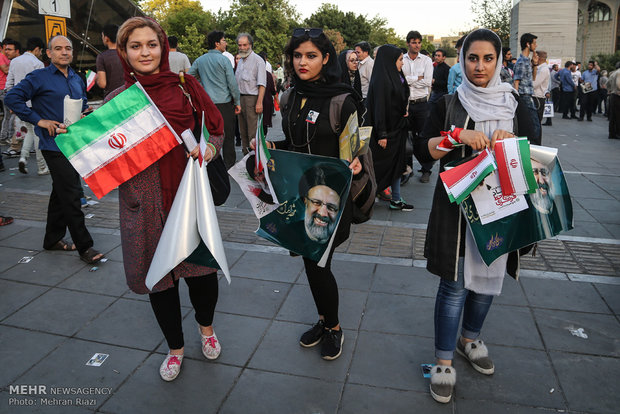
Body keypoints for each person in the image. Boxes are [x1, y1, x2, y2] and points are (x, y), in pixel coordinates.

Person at [106, 17, 225, 382]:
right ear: (124, 52)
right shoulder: (117, 102)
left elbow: (216, 128)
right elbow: (105, 160)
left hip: (188, 200)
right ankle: (175, 348)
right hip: (142, 208)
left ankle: (206, 328)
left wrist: (209, 149)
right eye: (135, 46)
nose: (145, 52)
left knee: (202, 276)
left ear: (163, 47)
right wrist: (78, 143)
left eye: (151, 44)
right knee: (160, 281)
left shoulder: (185, 87)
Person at [414, 28, 528, 404]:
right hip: (457, 211)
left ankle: (470, 338)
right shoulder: (448, 102)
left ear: (499, 61)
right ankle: (444, 360)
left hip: (503, 206)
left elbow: (535, 158)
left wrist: (511, 145)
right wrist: (456, 137)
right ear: (462, 60)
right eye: (472, 58)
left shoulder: (515, 103)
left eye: (488, 58)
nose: (480, 66)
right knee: (454, 284)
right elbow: (424, 151)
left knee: (490, 278)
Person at [255, 28, 363, 361]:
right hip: (301, 195)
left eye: (311, 55)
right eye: (298, 55)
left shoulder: (343, 100)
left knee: (317, 264)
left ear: (326, 58)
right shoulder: (290, 97)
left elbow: (355, 149)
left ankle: (333, 327)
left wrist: (354, 162)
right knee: (311, 262)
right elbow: (296, 145)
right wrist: (272, 147)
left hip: (333, 199)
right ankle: (324, 320)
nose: (303, 62)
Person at [5, 35, 104, 265]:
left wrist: (85, 113)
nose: (64, 52)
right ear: (48, 53)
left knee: (61, 192)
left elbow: (81, 106)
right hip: (53, 145)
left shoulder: (77, 79)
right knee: (71, 194)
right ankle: (85, 247)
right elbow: (12, 97)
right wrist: (39, 121)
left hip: (75, 143)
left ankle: (52, 239)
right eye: (58, 49)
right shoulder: (39, 77)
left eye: (68, 48)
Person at [367, 44, 412, 211]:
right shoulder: (381, 80)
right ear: (389, 60)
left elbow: (400, 97)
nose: (402, 63)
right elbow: (379, 109)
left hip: (398, 128)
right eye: (400, 60)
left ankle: (396, 199)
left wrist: (403, 110)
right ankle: (365, 198)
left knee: (397, 166)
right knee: (381, 168)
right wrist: (382, 134)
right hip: (386, 132)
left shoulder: (396, 76)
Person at [189, 30, 241, 169]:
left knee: (209, 135)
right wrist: (237, 102)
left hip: (207, 105)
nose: (226, 43)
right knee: (228, 135)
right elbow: (232, 83)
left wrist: (200, 87)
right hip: (224, 104)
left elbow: (189, 77)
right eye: (224, 40)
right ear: (217, 44)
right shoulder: (224, 60)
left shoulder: (200, 60)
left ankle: (210, 162)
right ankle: (229, 164)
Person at [4, 37, 47, 175]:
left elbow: (9, 84)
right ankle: (42, 167)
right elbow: (41, 88)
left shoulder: (15, 61)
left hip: (20, 104)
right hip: (34, 105)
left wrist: (12, 102)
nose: (41, 53)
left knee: (30, 132)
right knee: (38, 135)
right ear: (37, 49)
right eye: (40, 51)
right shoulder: (38, 63)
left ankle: (23, 158)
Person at [403, 30, 434, 183]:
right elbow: (400, 81)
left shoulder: (426, 61)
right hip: (406, 105)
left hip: (421, 104)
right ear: (408, 43)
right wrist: (417, 78)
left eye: (419, 42)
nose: (417, 45)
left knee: (423, 137)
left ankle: (426, 169)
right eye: (414, 42)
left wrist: (409, 80)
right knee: (406, 137)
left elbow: (428, 82)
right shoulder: (402, 59)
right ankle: (407, 169)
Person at [235, 33, 266, 155]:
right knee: (243, 132)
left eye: (245, 45)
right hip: (241, 99)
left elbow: (262, 84)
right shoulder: (241, 61)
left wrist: (259, 102)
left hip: (252, 100)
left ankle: (255, 161)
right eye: (240, 45)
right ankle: (245, 160)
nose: (242, 47)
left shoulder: (258, 61)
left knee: (252, 133)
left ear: (250, 45)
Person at [513, 33, 541, 145]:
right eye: (534, 43)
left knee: (534, 126)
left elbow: (533, 78)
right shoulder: (521, 62)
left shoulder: (527, 61)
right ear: (528, 44)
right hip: (523, 97)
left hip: (528, 96)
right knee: (533, 127)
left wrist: (535, 64)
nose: (536, 45)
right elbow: (516, 81)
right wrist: (516, 99)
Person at [0, 39, 20, 149]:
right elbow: (6, 70)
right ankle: (5, 137)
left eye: (9, 49)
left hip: (6, 88)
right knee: (9, 115)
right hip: (3, 88)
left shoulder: (10, 60)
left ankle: (8, 137)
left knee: (9, 115)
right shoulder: (1, 57)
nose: (7, 51)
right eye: (6, 49)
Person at [96, 24, 124, 99]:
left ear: (106, 38)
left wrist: (97, 78)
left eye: (102, 36)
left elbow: (102, 84)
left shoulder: (102, 57)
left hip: (111, 99)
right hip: (128, 97)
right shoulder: (127, 54)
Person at [532, 51, 550, 130]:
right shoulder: (540, 68)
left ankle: (536, 142)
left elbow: (534, 84)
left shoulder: (543, 70)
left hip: (537, 98)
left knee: (535, 124)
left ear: (538, 58)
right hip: (536, 98)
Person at [607, 62, 620, 139]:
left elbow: (607, 83)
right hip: (618, 95)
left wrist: (610, 90)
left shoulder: (613, 73)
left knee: (613, 116)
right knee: (618, 116)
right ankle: (618, 133)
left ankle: (611, 133)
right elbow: (619, 85)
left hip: (613, 95)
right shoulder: (619, 73)